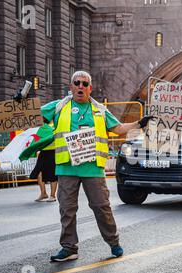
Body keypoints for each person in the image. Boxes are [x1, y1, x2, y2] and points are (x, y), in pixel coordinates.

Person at [41, 70, 153, 262]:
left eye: (85, 84)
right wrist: (21, 101)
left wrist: (139, 124)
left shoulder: (99, 110)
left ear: (90, 88)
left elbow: (118, 128)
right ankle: (69, 248)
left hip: (92, 167)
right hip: (67, 167)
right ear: (71, 87)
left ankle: (114, 242)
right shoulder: (59, 106)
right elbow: (35, 116)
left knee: (101, 207)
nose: (81, 87)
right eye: (77, 83)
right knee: (67, 209)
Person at [29, 123, 58, 202]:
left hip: (53, 151)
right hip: (43, 151)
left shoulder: (53, 125)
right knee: (39, 172)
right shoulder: (38, 127)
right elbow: (36, 138)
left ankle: (52, 195)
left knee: (52, 173)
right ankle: (43, 193)